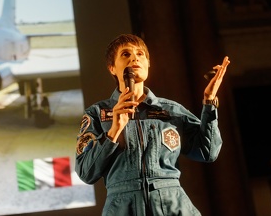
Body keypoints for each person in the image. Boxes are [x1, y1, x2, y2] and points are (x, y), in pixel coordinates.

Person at [75, 34, 230, 216]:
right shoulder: (97, 114)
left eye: (140, 54)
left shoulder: (171, 110)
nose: (134, 58)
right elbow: (86, 173)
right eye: (125, 54)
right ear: (111, 68)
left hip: (172, 204)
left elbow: (208, 151)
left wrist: (210, 103)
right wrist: (114, 131)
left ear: (148, 64)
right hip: (123, 208)